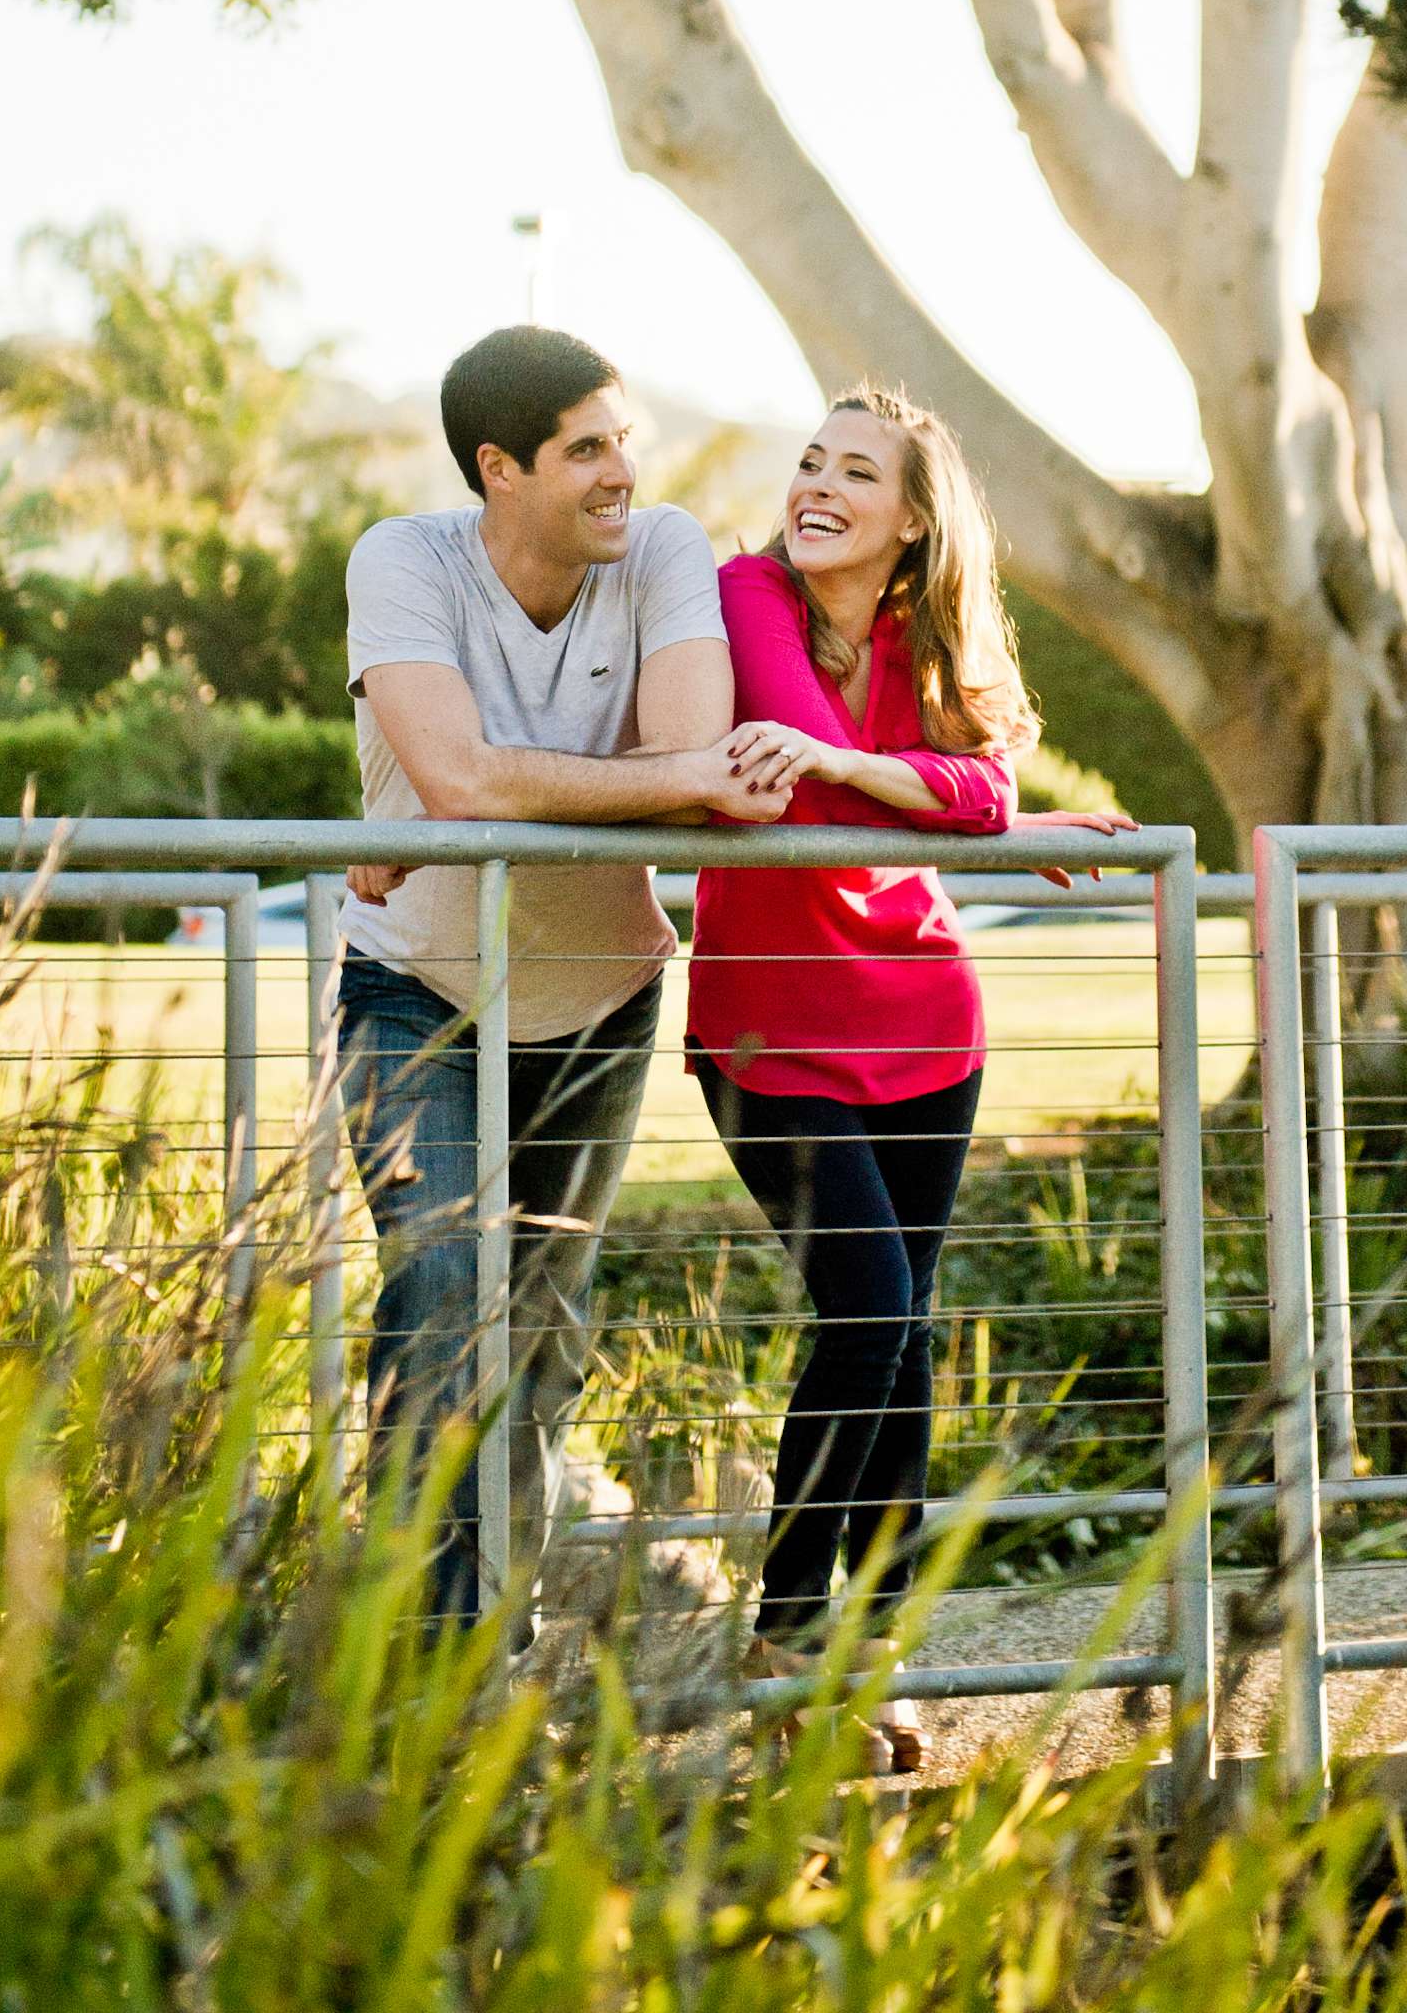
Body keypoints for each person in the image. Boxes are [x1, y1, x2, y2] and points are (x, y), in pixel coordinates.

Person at [687, 380, 1132, 1763]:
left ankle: (869, 1656)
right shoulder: (745, 591)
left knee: (908, 1339)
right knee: (868, 1319)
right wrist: (886, 772)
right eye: (810, 461)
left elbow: (987, 789)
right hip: (765, 1030)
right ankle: (789, 1632)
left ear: (913, 518)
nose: (814, 484)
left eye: (853, 472)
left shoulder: (917, 638)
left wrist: (863, 766)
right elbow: (782, 762)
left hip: (926, 1022)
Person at [337, 324, 790, 1636]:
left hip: (601, 1003)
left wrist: (468, 796)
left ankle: (497, 1654)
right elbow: (485, 777)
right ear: (499, 468)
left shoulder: (663, 550)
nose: (621, 473)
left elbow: (693, 756)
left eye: (624, 440)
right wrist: (461, 790)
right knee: (441, 1296)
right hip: (411, 989)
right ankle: (418, 1670)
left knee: (537, 1336)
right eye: (587, 449)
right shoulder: (403, 560)